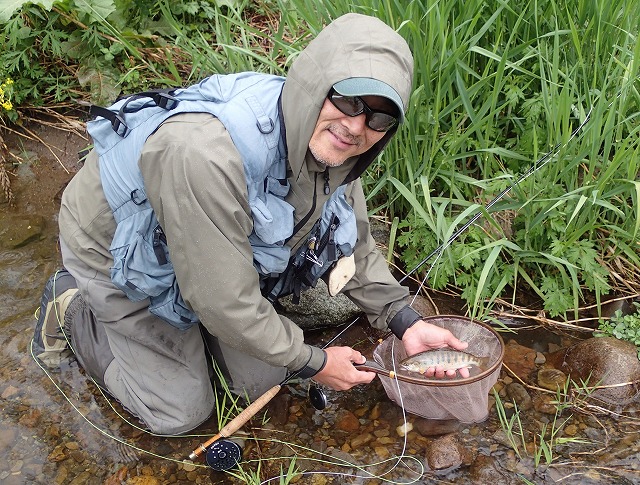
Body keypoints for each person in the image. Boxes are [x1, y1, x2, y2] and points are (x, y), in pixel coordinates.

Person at [32, 13, 468, 435]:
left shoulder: (332, 149)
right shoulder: (207, 153)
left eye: (378, 117)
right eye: (349, 101)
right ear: (315, 85)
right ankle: (68, 303)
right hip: (116, 250)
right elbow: (225, 302)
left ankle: (189, 337)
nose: (356, 126)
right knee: (180, 414)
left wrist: (404, 320)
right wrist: (315, 363)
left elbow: (351, 242)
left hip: (201, 248)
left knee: (260, 381)